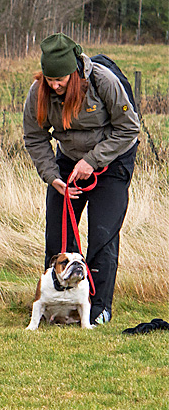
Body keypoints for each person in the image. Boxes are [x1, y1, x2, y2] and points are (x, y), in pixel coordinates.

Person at [22, 33, 140, 326]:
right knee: (58, 236)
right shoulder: (38, 92)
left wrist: (92, 161)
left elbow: (129, 129)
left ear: (75, 72)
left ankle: (97, 308)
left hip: (112, 161)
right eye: (50, 79)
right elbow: (35, 139)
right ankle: (56, 305)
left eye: (60, 79)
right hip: (68, 162)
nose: (55, 85)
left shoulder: (104, 82)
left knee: (102, 236)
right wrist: (53, 177)